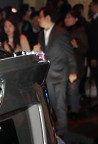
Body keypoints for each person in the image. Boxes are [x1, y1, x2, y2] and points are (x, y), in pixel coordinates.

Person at [34, 5, 78, 134]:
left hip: (60, 74)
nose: (38, 19)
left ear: (48, 18)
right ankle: (60, 126)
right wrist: (36, 51)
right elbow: (42, 55)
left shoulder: (60, 32)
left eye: (40, 17)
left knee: (60, 104)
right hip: (48, 75)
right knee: (53, 104)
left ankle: (63, 130)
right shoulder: (41, 34)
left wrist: (73, 71)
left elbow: (69, 53)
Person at [65, 9, 89, 116]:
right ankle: (72, 108)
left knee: (72, 89)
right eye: (66, 17)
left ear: (76, 19)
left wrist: (76, 46)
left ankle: (74, 110)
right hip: (65, 66)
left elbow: (85, 49)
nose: (66, 19)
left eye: (69, 17)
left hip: (75, 66)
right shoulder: (63, 31)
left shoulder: (79, 32)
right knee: (68, 89)